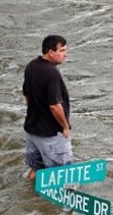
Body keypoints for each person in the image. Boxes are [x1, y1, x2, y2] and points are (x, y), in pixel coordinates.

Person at [23, 35, 72, 181]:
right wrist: (65, 127)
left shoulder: (31, 66)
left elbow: (26, 95)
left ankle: (29, 194)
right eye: (62, 51)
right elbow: (54, 106)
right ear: (51, 52)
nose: (65, 54)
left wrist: (36, 112)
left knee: (36, 170)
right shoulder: (51, 73)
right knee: (62, 176)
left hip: (32, 132)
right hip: (50, 135)